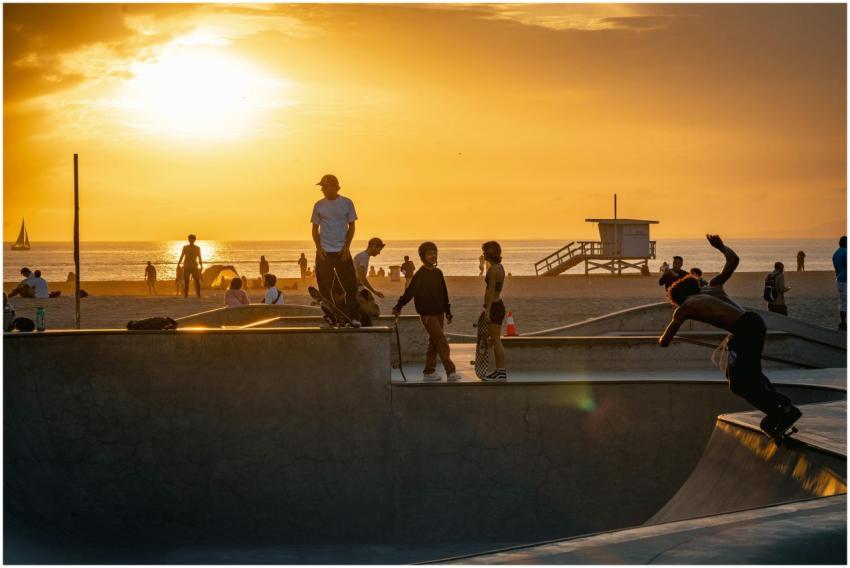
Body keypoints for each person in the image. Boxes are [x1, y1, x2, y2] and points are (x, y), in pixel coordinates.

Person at [659, 234, 801, 438]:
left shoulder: (685, 307)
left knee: (739, 384)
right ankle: (780, 408)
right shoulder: (713, 286)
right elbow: (733, 260)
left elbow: (665, 341)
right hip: (754, 323)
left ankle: (783, 409)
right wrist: (721, 246)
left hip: (744, 331)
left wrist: (672, 327)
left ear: (679, 299)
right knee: (748, 374)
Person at [392, 242, 461, 382]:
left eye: (435, 253)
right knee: (441, 341)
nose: (433, 256)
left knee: (434, 343)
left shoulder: (438, 273)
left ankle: (429, 372)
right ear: (423, 256)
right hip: (427, 314)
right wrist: (398, 306)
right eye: (430, 254)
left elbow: (444, 293)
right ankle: (451, 371)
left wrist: (448, 311)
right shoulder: (420, 274)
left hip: (439, 313)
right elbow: (410, 292)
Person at [310, 173, 361, 326]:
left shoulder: (347, 203)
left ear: (335, 187)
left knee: (351, 286)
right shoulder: (319, 205)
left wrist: (346, 247)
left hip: (341, 252)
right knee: (324, 288)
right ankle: (331, 317)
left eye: (325, 187)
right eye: (322, 188)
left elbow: (352, 227)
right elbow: (315, 229)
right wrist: (318, 248)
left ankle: (353, 317)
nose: (323, 190)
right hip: (324, 253)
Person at [482, 241, 507, 381]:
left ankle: (501, 372)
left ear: (489, 253)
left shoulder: (493, 270)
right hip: (498, 305)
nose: (483, 253)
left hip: (494, 307)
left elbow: (491, 291)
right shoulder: (499, 267)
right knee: (496, 339)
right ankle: (499, 371)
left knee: (496, 340)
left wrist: (487, 310)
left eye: (485, 251)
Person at [833, 236, 847, 331]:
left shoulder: (836, 253)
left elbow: (836, 268)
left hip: (840, 279)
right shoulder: (846, 252)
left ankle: (843, 322)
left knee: (843, 302)